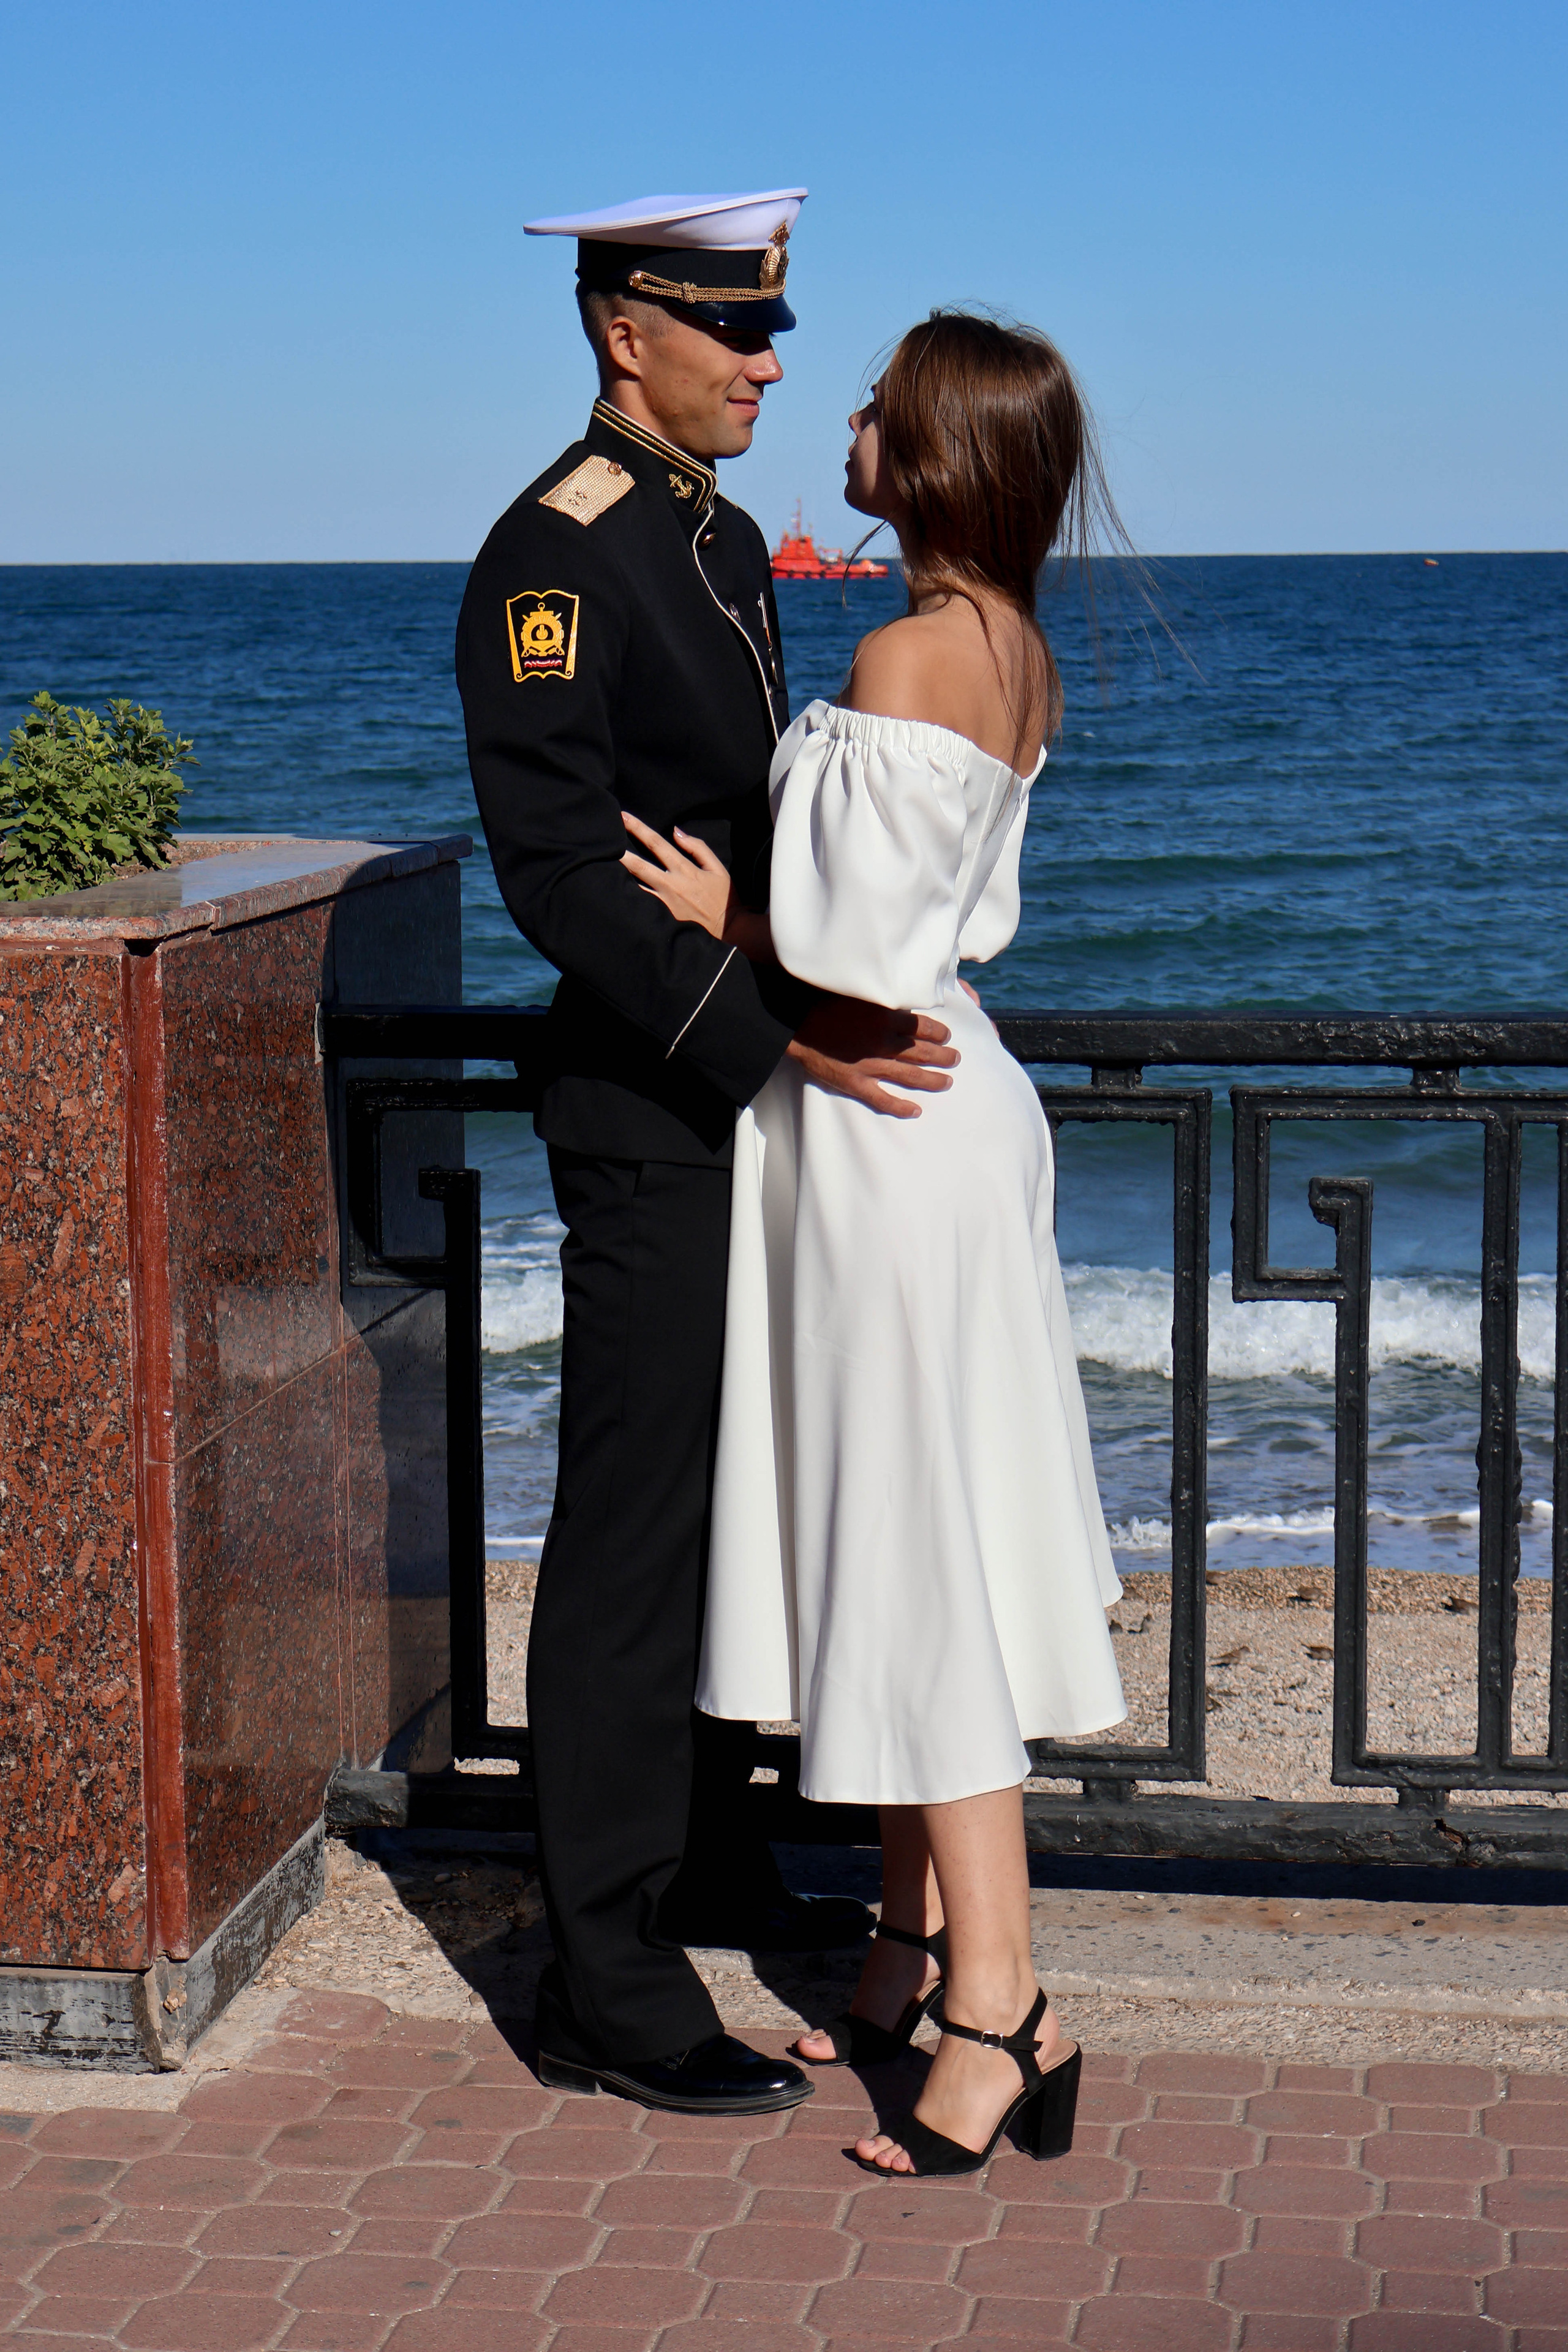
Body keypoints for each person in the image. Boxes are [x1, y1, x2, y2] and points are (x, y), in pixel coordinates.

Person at [454, 194, 960, 2117]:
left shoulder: (729, 538)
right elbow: (561, 873)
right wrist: (782, 1039)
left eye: (774, 331)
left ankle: (705, 1850)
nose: (768, 362)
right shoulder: (551, 550)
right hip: (659, 1112)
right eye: (733, 331)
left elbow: (741, 834)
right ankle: (602, 1973)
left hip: (760, 1094)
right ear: (623, 334)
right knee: (632, 1539)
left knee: (740, 1501)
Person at [619, 309, 1129, 2173]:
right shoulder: (1016, 650)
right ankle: (914, 1948)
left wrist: (722, 916)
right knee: (936, 1520)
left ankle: (1004, 2006)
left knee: (909, 1559)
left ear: (931, 457)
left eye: (879, 410)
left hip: (880, 1128)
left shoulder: (902, 649)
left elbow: (842, 961)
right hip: (953, 1109)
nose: (840, 422)